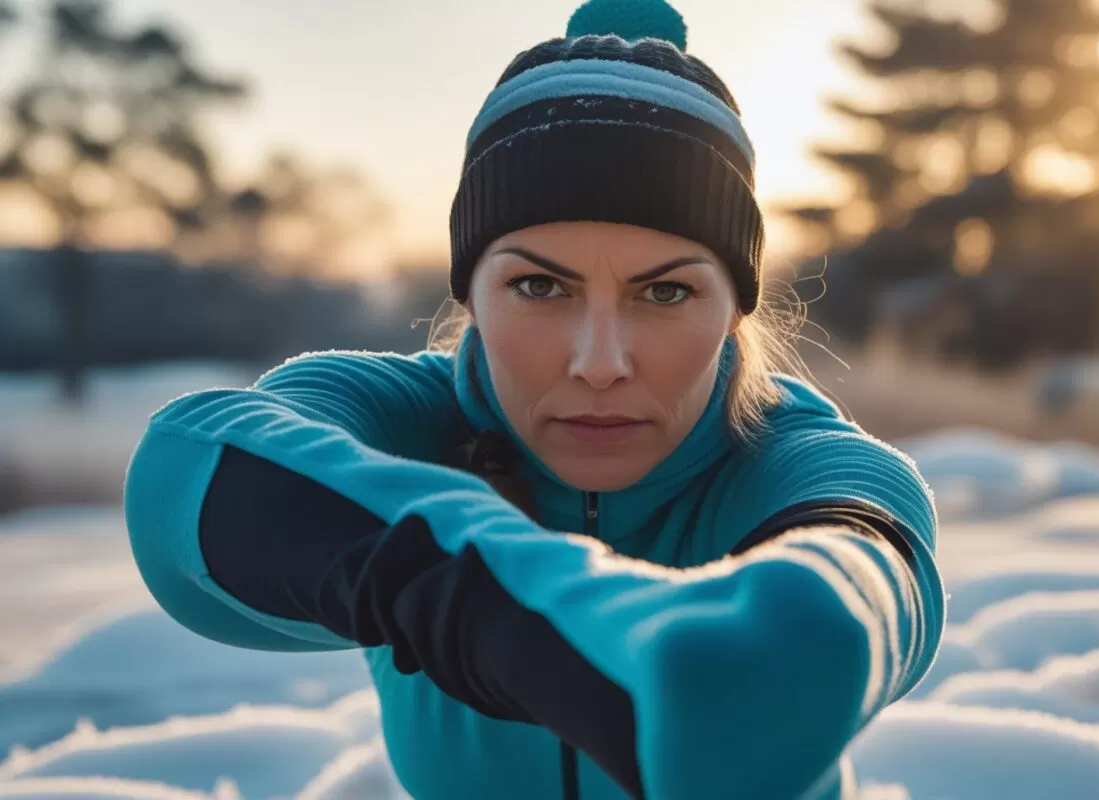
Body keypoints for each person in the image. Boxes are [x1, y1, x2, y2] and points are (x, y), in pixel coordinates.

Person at [123, 1, 945, 798]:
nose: (598, 363)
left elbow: (837, 609)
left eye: (664, 295)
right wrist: (481, 608)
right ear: (471, 296)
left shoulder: (796, 460)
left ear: (734, 307)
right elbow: (187, 480)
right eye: (539, 285)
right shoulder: (405, 421)